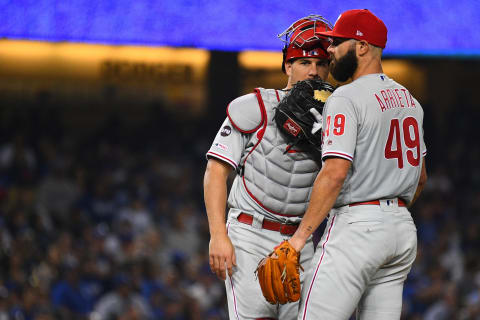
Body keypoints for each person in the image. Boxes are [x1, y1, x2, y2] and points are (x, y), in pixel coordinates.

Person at [285, 9, 428, 320]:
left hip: (358, 228)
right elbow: (420, 179)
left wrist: (299, 239)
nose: (330, 50)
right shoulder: (410, 101)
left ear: (362, 47)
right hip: (402, 231)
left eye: (338, 43)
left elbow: (334, 174)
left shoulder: (346, 97)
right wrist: (389, 211)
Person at [203, 15, 333, 319]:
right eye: (304, 62)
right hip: (250, 233)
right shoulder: (257, 106)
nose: (313, 71)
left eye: (321, 63)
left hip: (300, 240)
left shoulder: (340, 119)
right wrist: (218, 234)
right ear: (288, 65)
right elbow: (216, 172)